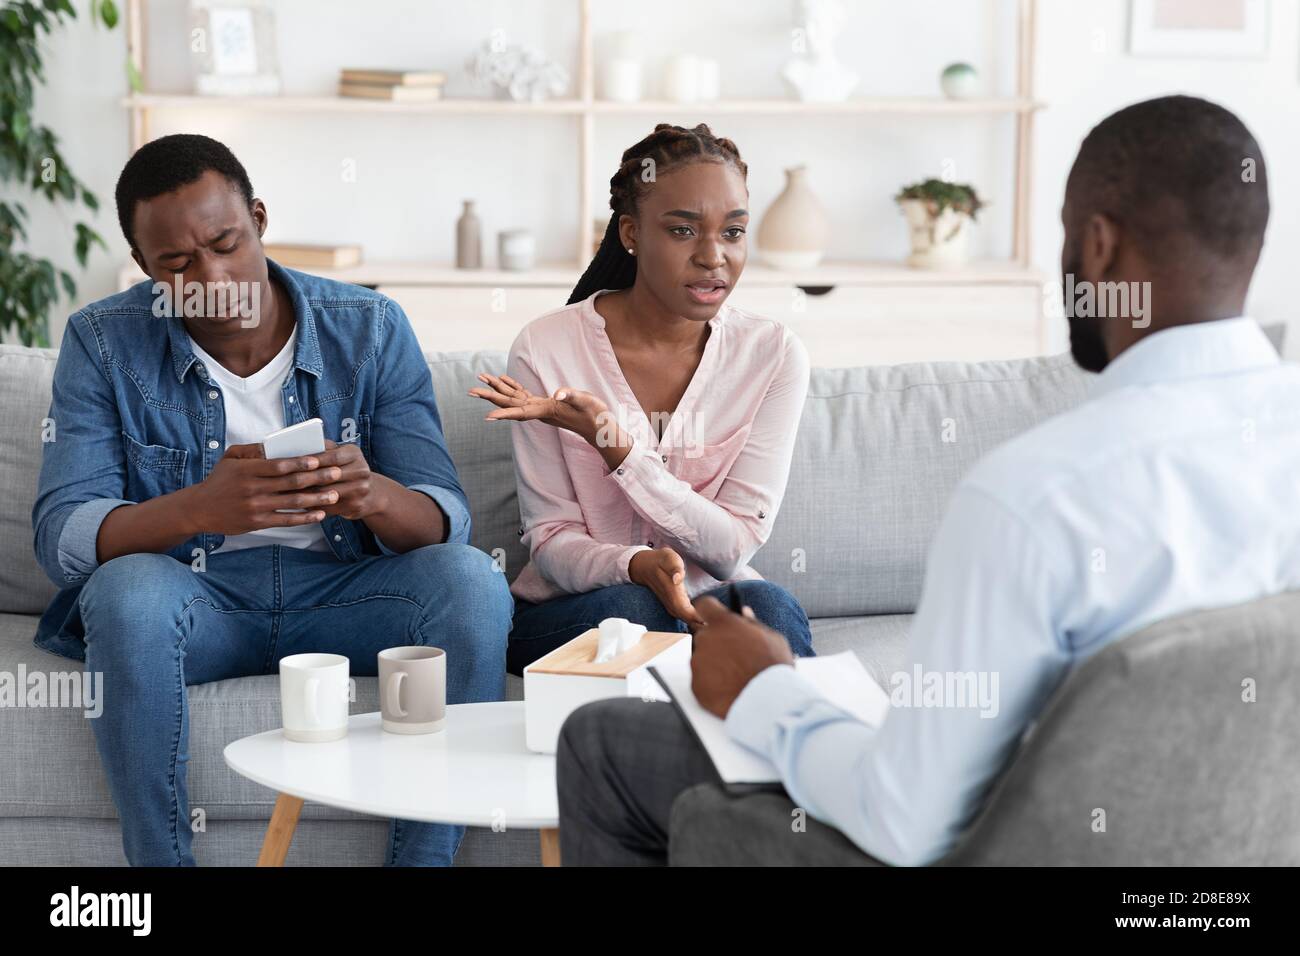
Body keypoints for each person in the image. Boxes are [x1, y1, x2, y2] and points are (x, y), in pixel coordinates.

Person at [555, 95, 1300, 865]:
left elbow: (904, 823)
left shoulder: (1036, 498)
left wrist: (766, 691)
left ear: (1099, 247)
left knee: (605, 742)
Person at [31, 133, 512, 866]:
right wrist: (200, 508)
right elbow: (64, 535)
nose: (213, 278)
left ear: (258, 218)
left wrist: (370, 495)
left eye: (226, 242)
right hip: (197, 600)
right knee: (125, 592)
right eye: (178, 265)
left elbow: (442, 518)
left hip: (349, 596)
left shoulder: (370, 327)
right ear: (144, 267)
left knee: (471, 581)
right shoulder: (102, 343)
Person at [470, 123, 814, 674]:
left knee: (768, 605)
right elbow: (551, 543)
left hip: (706, 599)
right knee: (639, 607)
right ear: (631, 233)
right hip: (577, 609)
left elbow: (731, 550)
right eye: (682, 231)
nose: (713, 257)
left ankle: (790, 755)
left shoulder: (772, 355)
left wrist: (619, 449)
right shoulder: (546, 348)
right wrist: (634, 565)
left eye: (733, 232)